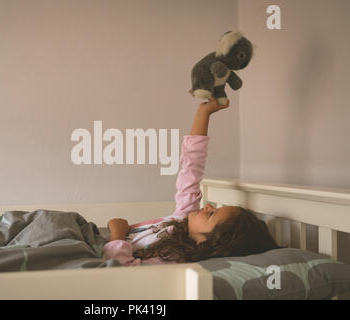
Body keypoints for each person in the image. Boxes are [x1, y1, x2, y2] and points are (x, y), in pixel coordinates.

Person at [103, 97, 281, 266]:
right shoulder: (185, 216)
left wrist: (117, 234)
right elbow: (191, 167)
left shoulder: (173, 259)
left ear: (207, 242)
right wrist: (203, 114)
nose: (208, 205)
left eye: (211, 214)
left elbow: (121, 273)